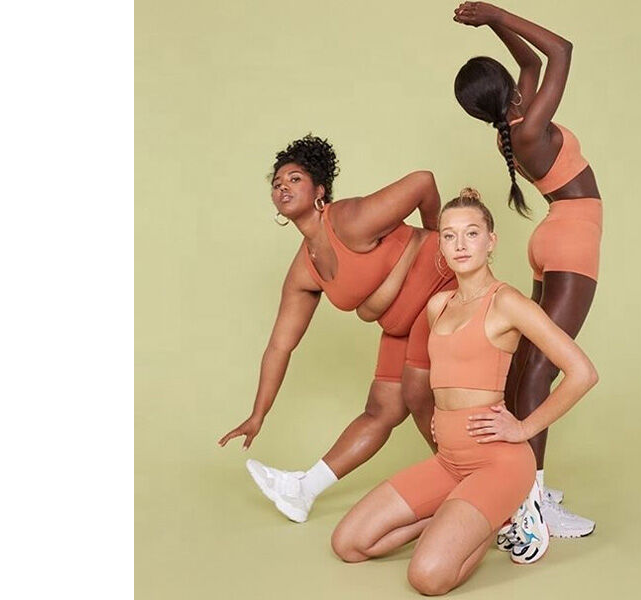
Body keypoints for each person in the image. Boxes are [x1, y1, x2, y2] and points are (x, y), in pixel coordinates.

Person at [330, 188, 598, 594]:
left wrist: (524, 429)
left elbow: (582, 372)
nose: (460, 244)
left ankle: (504, 511)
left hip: (497, 463)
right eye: (450, 235)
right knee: (349, 543)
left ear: (491, 241)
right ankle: (483, 518)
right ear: (440, 244)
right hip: (449, 462)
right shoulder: (439, 306)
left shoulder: (507, 302)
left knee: (427, 577)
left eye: (471, 233)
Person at [218, 134, 455, 522]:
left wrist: (437, 239)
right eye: (277, 183)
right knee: (381, 410)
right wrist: (258, 414)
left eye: (294, 179)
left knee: (417, 394)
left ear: (319, 191)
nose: (282, 187)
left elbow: (423, 182)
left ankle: (475, 485)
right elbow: (280, 345)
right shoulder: (303, 270)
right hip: (404, 327)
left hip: (442, 295)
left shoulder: (347, 220)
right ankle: (301, 491)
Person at [453, 2, 603, 542]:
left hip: (553, 234)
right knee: (543, 367)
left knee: (526, 366)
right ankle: (532, 499)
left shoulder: (509, 131)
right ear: (508, 91)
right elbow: (559, 50)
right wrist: (496, 11)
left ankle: (517, 477)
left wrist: (494, 25)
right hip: (571, 238)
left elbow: (534, 65)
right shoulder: (531, 126)